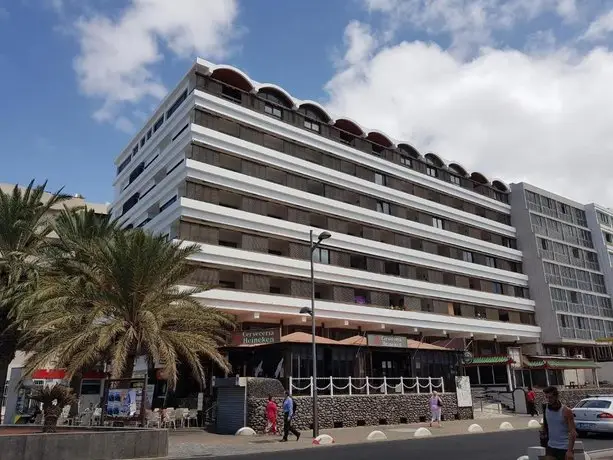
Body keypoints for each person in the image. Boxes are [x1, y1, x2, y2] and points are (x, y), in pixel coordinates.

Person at [540, 386, 576, 460]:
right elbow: (546, 425)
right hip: (551, 446)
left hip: (564, 447)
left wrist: (569, 451)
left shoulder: (566, 411)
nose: (548, 400)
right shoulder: (546, 408)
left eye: (550, 397)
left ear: (556, 396)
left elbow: (573, 432)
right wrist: (543, 432)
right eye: (547, 397)